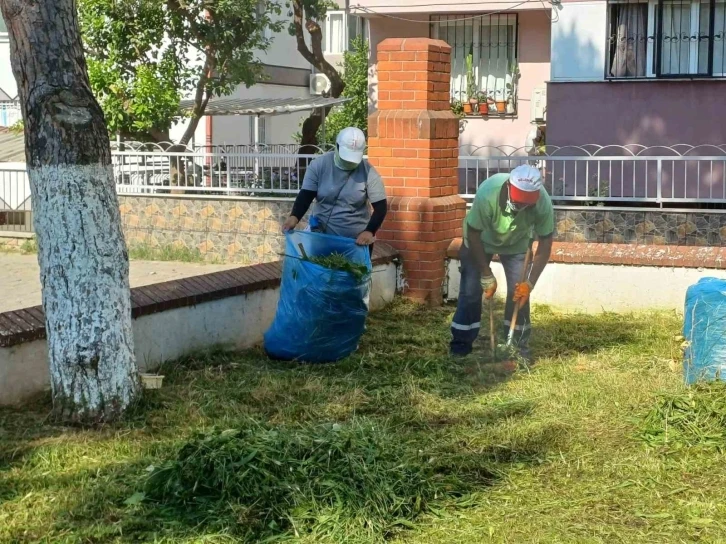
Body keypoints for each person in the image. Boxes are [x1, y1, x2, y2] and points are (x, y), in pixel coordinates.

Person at [450, 164, 554, 361]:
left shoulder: (542, 202)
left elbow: (545, 243)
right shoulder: (488, 193)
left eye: (527, 203)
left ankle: (516, 344)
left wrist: (529, 283)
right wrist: (485, 273)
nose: (522, 207)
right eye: (519, 201)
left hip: (517, 245)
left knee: (519, 296)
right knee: (471, 292)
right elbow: (473, 234)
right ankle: (461, 345)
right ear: (508, 186)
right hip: (480, 242)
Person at [282, 127, 388, 255]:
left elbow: (381, 207)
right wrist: (294, 217)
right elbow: (306, 196)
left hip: (355, 244)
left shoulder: (369, 172)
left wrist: (370, 231)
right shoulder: (319, 165)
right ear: (337, 147)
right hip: (321, 239)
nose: (349, 162)